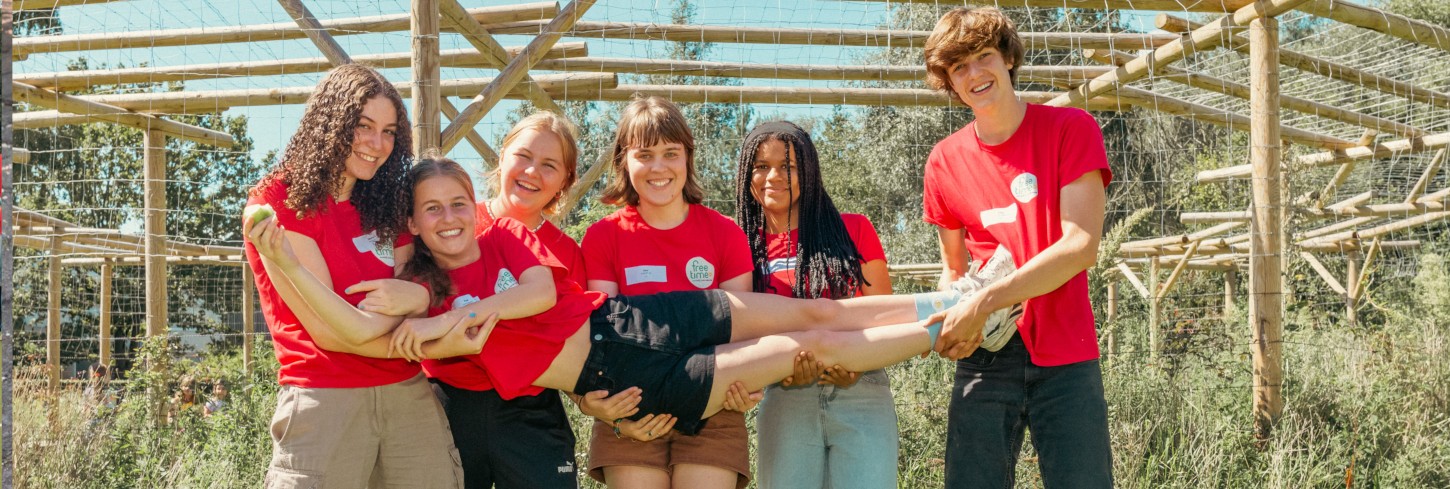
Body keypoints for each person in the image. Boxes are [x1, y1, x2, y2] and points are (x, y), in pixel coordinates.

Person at [293, 156, 965, 449]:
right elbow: (357, 330)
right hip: (626, 378)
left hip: (636, 317)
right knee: (800, 349)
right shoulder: (416, 302)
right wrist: (284, 262)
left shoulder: (503, 238)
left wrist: (463, 311)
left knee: (815, 311)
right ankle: (950, 325)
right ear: (412, 223)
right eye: (432, 209)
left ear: (476, 204)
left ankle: (959, 296)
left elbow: (538, 292)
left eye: (459, 203)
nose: (450, 217)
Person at [241, 63, 476, 488]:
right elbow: (332, 333)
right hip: (325, 397)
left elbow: (414, 286)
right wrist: (424, 323)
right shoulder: (277, 202)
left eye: (389, 132)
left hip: (408, 394)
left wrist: (418, 300)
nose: (377, 144)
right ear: (329, 122)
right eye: (363, 126)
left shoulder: (388, 199)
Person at [382, 112, 641, 489]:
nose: (532, 171)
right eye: (523, 156)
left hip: (531, 408)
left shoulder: (566, 252)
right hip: (451, 401)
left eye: (549, 165)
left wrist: (585, 400)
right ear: (501, 157)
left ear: (565, 180)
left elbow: (569, 343)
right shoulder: (454, 220)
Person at [921, 7, 1114, 487]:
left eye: (984, 56)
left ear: (1008, 57)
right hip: (985, 354)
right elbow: (953, 269)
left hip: (1066, 351)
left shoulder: (1070, 129)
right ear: (949, 82)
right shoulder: (943, 161)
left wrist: (984, 301)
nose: (974, 74)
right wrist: (952, 322)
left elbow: (1080, 245)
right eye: (958, 67)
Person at [580, 96, 756, 489]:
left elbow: (742, 333)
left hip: (712, 408)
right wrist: (616, 418)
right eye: (644, 155)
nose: (658, 167)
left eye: (670, 153)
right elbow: (601, 341)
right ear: (624, 160)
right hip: (629, 407)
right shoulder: (603, 237)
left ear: (688, 157)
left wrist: (744, 387)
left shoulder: (725, 233)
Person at [733, 121, 899, 489]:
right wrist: (776, 370)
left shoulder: (854, 230)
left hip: (863, 392)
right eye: (761, 166)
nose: (773, 176)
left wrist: (855, 365)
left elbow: (886, 319)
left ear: (809, 170)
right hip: (784, 395)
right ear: (746, 173)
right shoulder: (739, 246)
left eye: (788, 166)